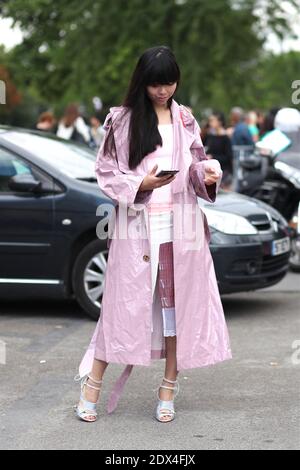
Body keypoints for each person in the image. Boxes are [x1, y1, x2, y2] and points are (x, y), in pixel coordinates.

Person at [74, 45, 232, 423]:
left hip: (183, 229)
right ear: (142, 82)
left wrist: (206, 172)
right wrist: (141, 182)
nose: (164, 91)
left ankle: (168, 390)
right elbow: (107, 173)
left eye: (170, 83)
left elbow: (194, 166)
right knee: (120, 309)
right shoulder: (122, 120)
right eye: (156, 84)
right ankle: (91, 389)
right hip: (137, 228)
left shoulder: (186, 119)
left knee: (177, 312)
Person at [203, 112, 233, 190]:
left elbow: (228, 157)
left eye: (213, 120)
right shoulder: (210, 136)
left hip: (223, 171)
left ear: (219, 122)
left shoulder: (225, 138)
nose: (210, 123)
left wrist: (213, 157)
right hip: (211, 170)